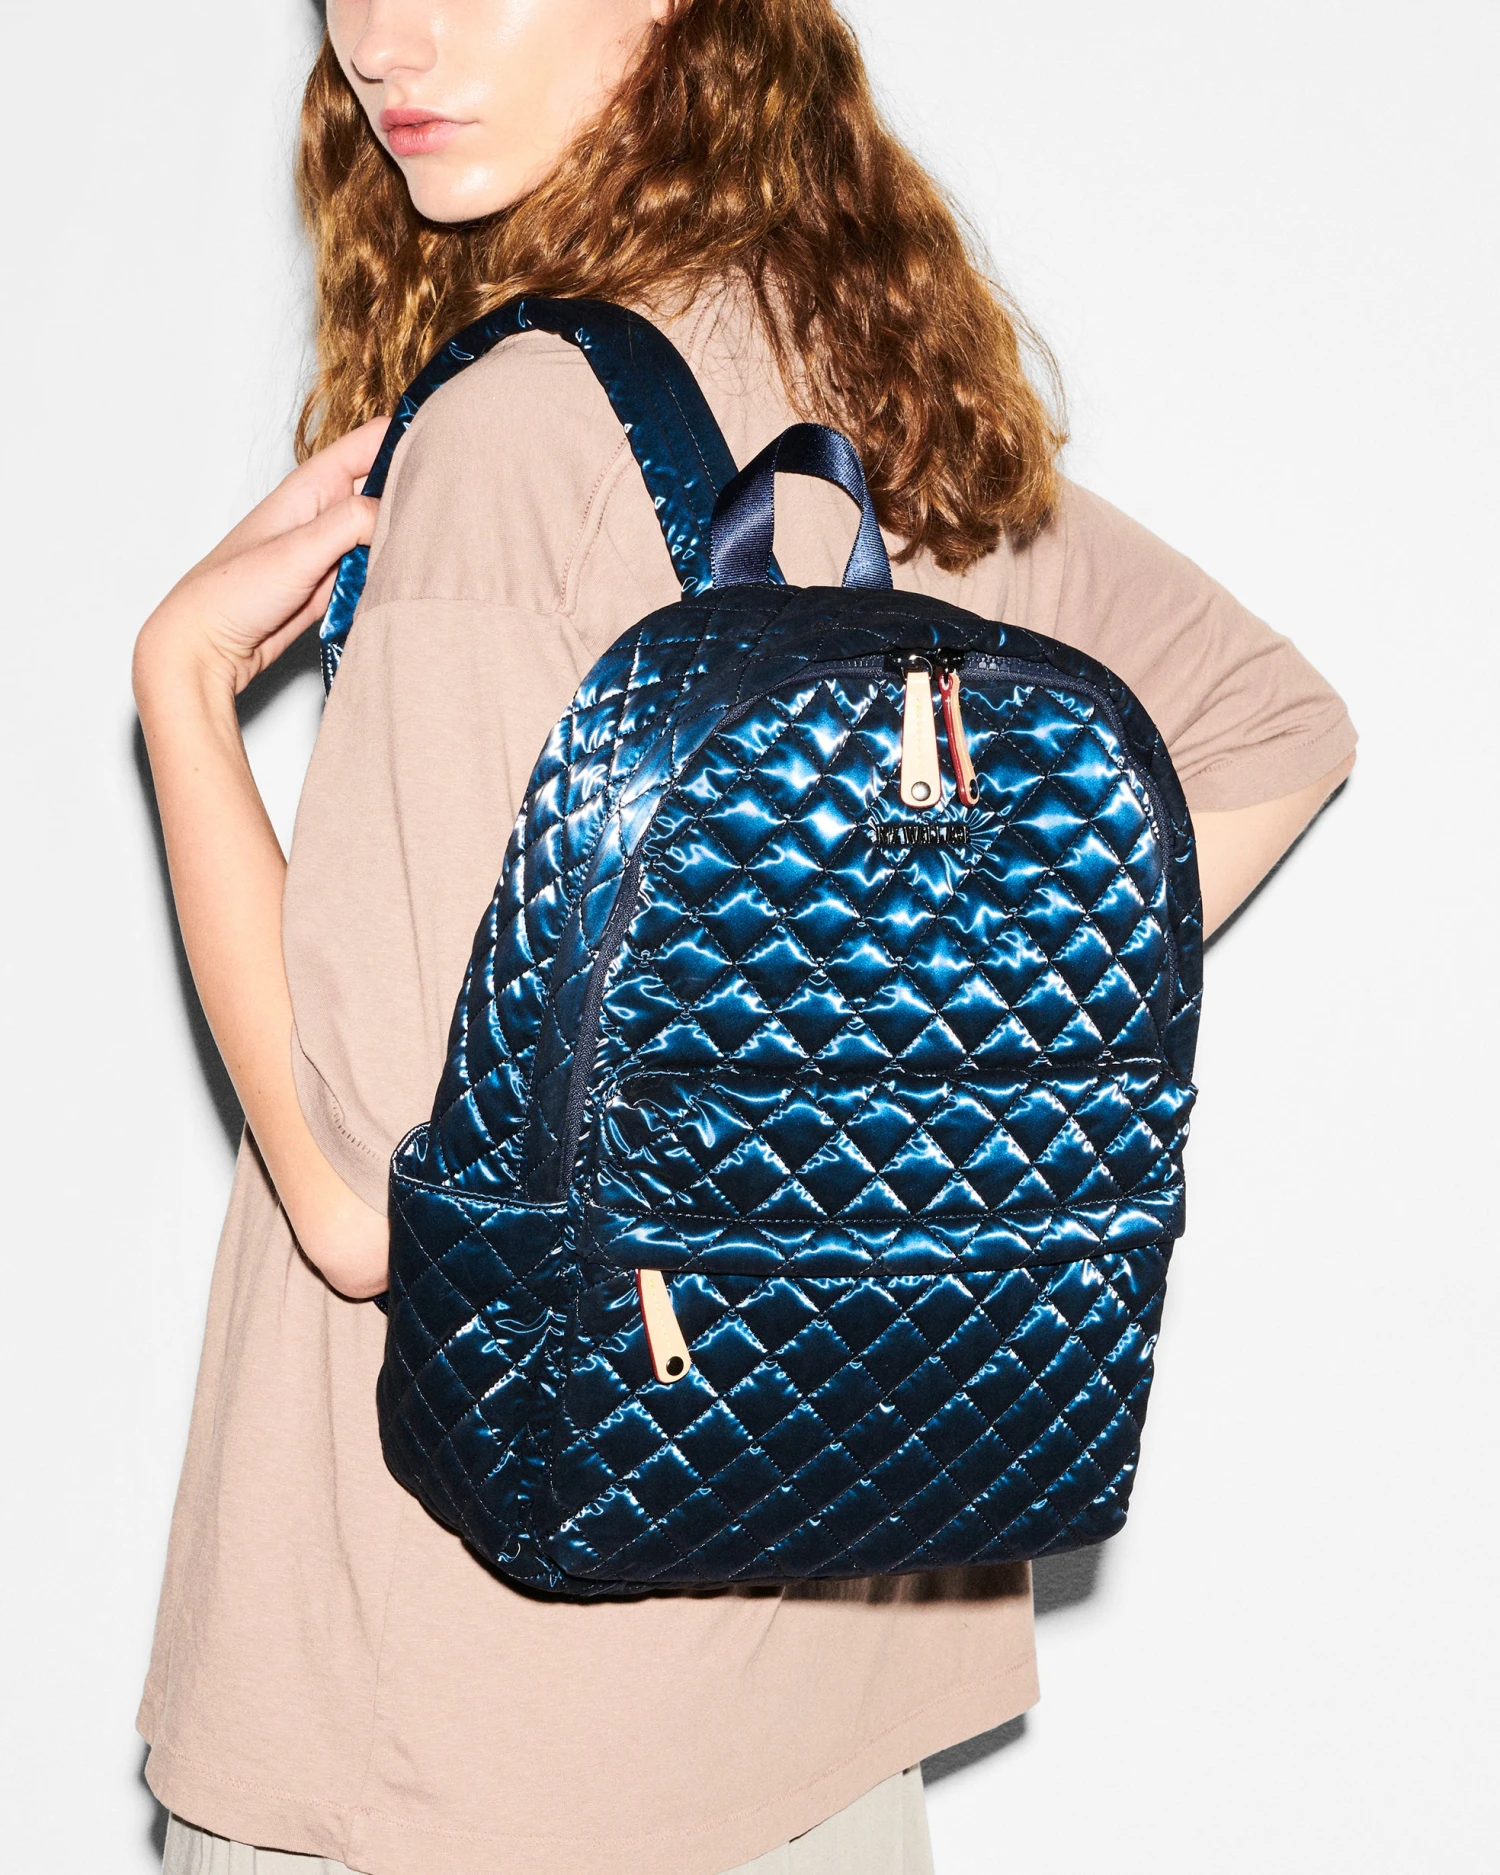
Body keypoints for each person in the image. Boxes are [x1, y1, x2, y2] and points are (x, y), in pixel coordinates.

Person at [132, 3, 1357, 1871]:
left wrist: (182, 687)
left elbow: (362, 1204)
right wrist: (920, 1080)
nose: (386, 35)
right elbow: (1269, 729)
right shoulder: (851, 358)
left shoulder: (513, 434)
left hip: (463, 1735)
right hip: (825, 1697)